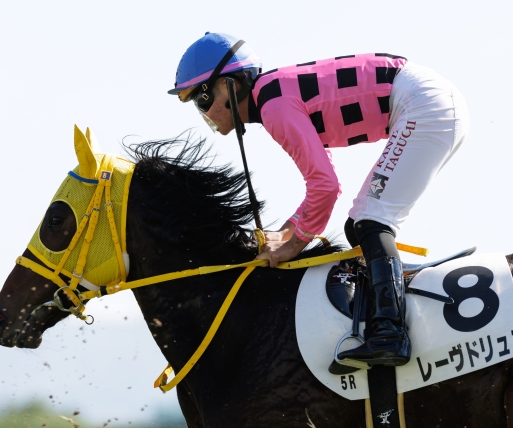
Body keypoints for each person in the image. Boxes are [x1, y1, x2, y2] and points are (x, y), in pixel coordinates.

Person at [167, 32, 469, 369]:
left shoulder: (274, 107)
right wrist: (287, 231)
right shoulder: (273, 96)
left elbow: (325, 186)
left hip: (423, 104)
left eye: (201, 100)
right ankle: (389, 303)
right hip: (426, 99)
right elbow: (326, 183)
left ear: (231, 85)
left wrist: (294, 244)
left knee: (371, 221)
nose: (203, 112)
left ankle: (390, 332)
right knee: (359, 225)